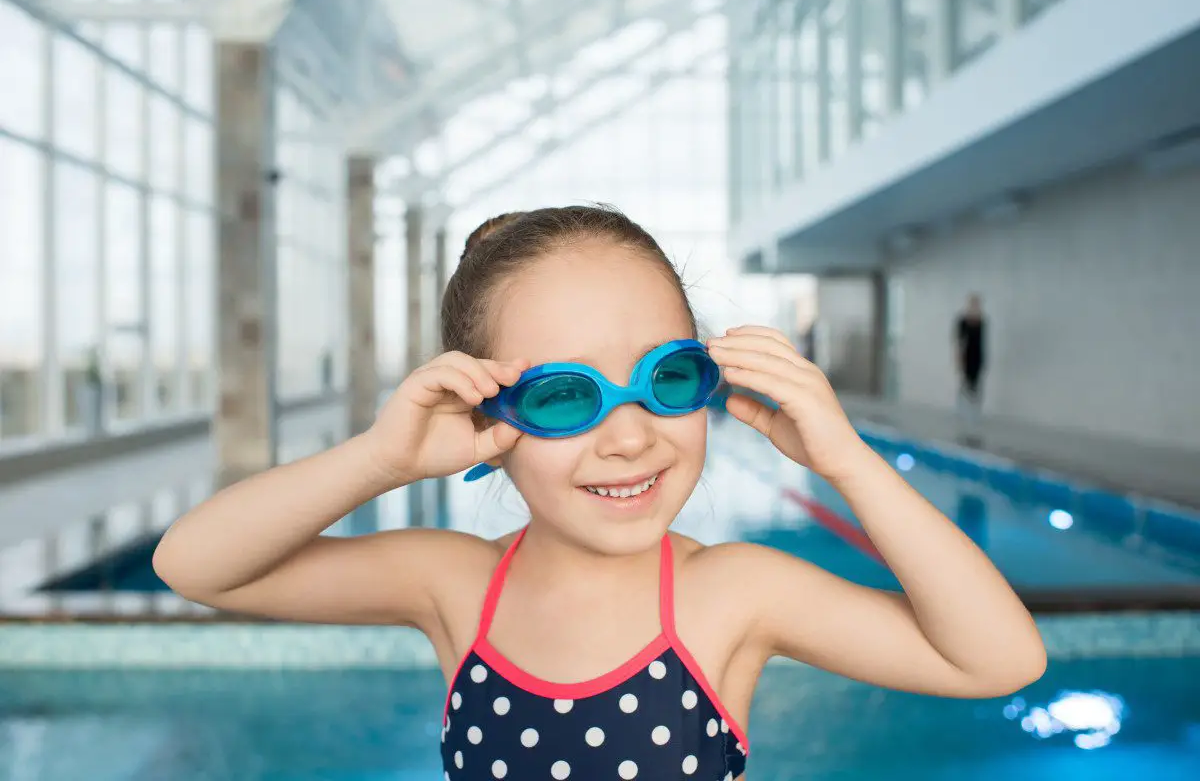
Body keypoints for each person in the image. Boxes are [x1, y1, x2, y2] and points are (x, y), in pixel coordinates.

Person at [152, 206, 1045, 780]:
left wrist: (850, 462)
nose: (629, 436)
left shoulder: (728, 593)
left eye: (667, 379)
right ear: (487, 420)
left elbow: (999, 661)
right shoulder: (456, 585)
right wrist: (379, 462)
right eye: (565, 395)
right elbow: (195, 565)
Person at [955, 294, 986, 427]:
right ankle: (962, 411)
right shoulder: (962, 321)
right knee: (965, 385)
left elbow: (983, 342)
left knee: (976, 386)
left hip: (977, 357)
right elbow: (959, 342)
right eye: (973, 304)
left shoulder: (982, 321)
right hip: (967, 357)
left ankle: (975, 414)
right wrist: (958, 359)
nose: (975, 306)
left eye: (977, 304)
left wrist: (984, 360)